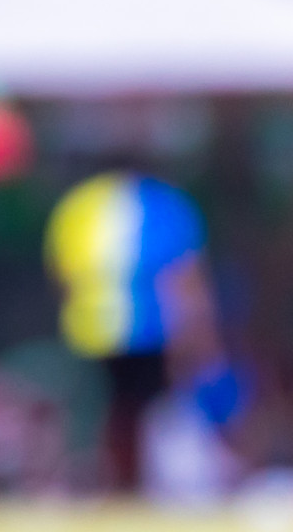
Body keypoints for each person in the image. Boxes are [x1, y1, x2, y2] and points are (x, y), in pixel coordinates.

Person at [45, 169, 223, 492]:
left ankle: (98, 484)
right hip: (149, 330)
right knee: (146, 417)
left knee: (100, 418)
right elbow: (185, 276)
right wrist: (199, 336)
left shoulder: (79, 205)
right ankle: (134, 486)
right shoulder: (168, 205)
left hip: (89, 331)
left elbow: (60, 274)